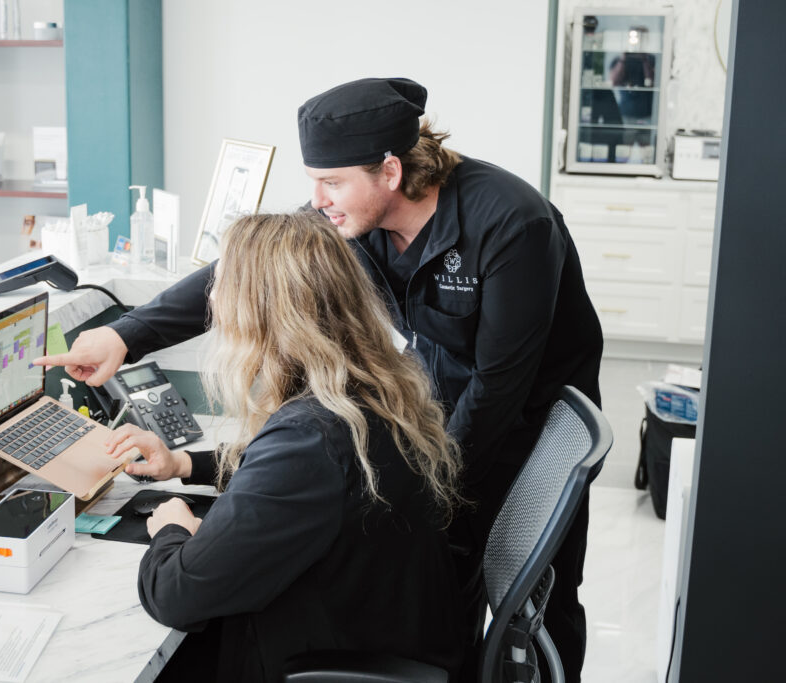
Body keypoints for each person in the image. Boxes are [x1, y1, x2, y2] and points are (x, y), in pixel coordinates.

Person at [36, 77, 603, 682]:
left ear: (390, 172)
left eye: (331, 182)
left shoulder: (512, 222)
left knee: (538, 600)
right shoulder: (354, 216)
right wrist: (126, 337)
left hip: (528, 428)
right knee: (432, 583)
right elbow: (251, 272)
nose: (317, 200)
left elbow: (497, 386)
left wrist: (428, 489)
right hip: (432, 422)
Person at [99, 212, 467, 682]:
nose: (210, 298)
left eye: (220, 284)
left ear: (258, 308)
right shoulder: (369, 393)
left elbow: (174, 595)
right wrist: (183, 463)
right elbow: (302, 479)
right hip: (385, 632)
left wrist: (171, 528)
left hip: (326, 658)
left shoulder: (309, 440)